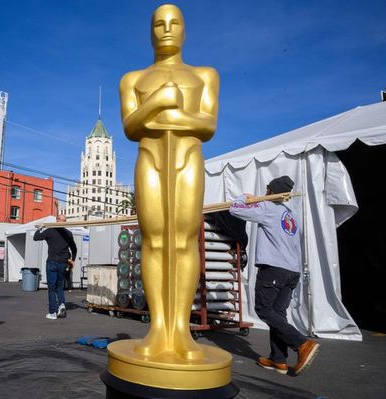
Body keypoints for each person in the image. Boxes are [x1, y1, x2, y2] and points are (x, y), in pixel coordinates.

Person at [118, 4, 218, 358]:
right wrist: (159, 101)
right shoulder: (133, 79)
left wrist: (165, 115)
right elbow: (131, 127)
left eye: (174, 23)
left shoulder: (204, 75)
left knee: (184, 239)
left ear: (185, 29)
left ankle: (181, 328)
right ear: (150, 31)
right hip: (150, 158)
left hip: (187, 158)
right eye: (158, 24)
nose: (167, 29)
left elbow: (207, 125)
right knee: (155, 239)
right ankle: (158, 326)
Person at [229, 175, 320, 375]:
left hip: (273, 269)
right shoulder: (290, 214)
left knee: (263, 310)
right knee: (278, 314)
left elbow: (235, 209)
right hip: (291, 271)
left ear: (272, 191)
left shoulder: (266, 208)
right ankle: (278, 359)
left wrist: (244, 196)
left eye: (268, 189)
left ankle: (302, 343)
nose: (265, 192)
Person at [33, 214, 77, 320]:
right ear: (64, 221)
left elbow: (36, 237)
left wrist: (39, 229)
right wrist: (73, 260)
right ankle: (61, 304)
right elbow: (74, 248)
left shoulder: (50, 230)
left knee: (52, 287)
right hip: (63, 263)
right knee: (59, 286)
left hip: (52, 262)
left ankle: (52, 312)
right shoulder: (68, 233)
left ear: (57, 220)